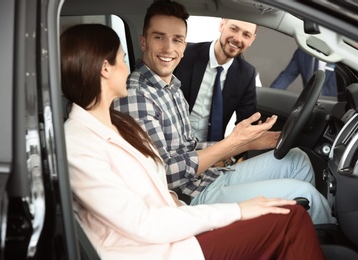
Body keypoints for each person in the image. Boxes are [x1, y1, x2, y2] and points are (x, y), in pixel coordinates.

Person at [61, 23, 326, 260]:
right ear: (105, 68)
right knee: (292, 216)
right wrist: (236, 211)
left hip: (178, 221)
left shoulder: (121, 123)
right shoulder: (78, 143)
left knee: (295, 180)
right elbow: (144, 220)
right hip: (161, 247)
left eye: (178, 40)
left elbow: (162, 174)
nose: (128, 67)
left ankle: (323, 239)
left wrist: (243, 144)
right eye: (122, 58)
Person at [115, 0, 336, 225]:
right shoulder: (137, 95)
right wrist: (232, 144)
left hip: (206, 176)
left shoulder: (171, 86)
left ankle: (295, 233)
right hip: (191, 197)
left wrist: (247, 143)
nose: (169, 49)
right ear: (143, 42)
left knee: (297, 160)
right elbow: (166, 175)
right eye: (159, 37)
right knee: (307, 195)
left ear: (183, 44)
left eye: (177, 39)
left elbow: (188, 147)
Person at [174, 18, 258, 141]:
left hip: (211, 148)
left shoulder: (247, 73)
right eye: (234, 29)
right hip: (173, 139)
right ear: (222, 25)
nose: (238, 39)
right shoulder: (184, 53)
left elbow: (246, 122)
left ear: (251, 40)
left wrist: (232, 155)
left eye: (246, 35)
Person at [270, 47, 338, 96]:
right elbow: (286, 77)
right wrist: (270, 94)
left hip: (333, 105)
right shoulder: (302, 52)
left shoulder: (339, 52)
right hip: (309, 103)